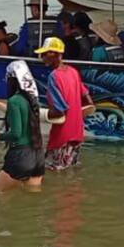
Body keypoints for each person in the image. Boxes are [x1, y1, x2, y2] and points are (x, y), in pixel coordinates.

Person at [0, 60, 45, 192]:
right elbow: (25, 117)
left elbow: (16, 134)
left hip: (20, 156)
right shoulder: (32, 99)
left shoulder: (14, 100)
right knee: (32, 199)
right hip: (37, 155)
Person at [35, 37, 95, 170]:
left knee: (51, 174)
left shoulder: (54, 76)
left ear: (53, 54)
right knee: (69, 172)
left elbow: (59, 111)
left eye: (44, 54)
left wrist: (37, 114)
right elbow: (88, 100)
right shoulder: (73, 72)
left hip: (62, 136)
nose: (42, 57)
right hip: (77, 134)